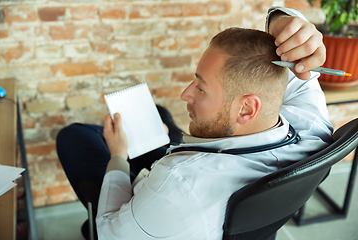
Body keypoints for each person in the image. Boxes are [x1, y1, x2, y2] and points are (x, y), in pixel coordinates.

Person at [56, 6, 333, 240]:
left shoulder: (178, 187)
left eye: (200, 88)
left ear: (247, 108)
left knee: (74, 137)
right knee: (162, 112)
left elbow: (107, 231)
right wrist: (284, 22)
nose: (185, 94)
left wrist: (118, 155)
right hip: (200, 173)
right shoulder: (313, 129)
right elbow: (301, 72)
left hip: (159, 202)